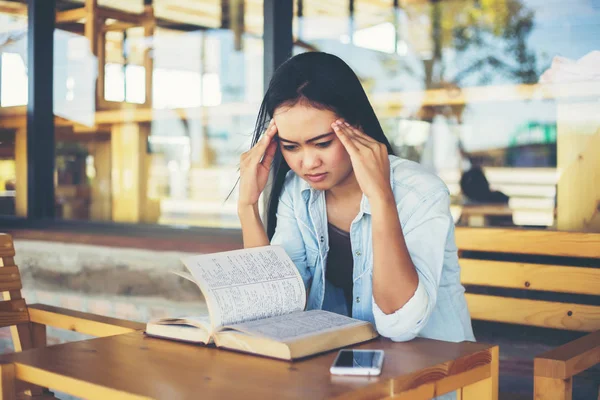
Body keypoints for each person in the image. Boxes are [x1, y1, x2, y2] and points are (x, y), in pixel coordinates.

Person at [237, 52, 474, 344]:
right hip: (340, 368)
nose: (308, 163)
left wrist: (381, 197)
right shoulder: (296, 191)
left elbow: (401, 326)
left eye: (322, 143)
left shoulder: (420, 192)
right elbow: (274, 307)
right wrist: (248, 206)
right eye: (291, 147)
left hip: (436, 372)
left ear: (357, 125)